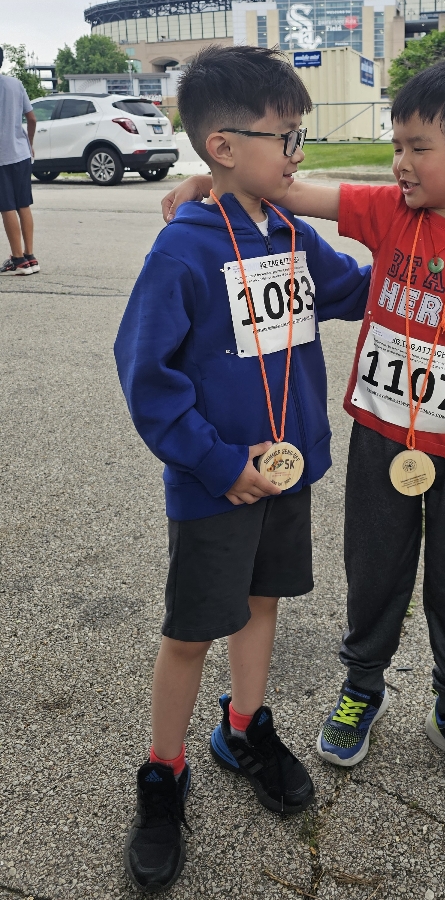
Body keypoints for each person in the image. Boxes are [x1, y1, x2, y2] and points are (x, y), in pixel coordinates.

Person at [163, 56, 445, 804]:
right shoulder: (385, 213)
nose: (399, 162)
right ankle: (362, 687)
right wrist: (210, 182)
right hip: (378, 442)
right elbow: (287, 187)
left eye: (418, 148)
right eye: (395, 144)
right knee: (373, 570)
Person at [114, 44, 370, 893]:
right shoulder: (182, 253)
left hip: (285, 476)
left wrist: (426, 239)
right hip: (216, 482)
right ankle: (163, 770)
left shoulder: (291, 232)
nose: (299, 156)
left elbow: (350, 290)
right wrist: (218, 463)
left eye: (300, 139)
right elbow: (148, 380)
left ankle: (245, 725)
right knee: (192, 631)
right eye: (286, 139)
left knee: (263, 603)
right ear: (222, 147)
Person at [0, 48, 39, 274]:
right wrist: (29, 143)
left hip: (2, 157)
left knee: (6, 207)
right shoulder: (15, 84)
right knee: (23, 204)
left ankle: (17, 259)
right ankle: (30, 256)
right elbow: (31, 118)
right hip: (21, 153)